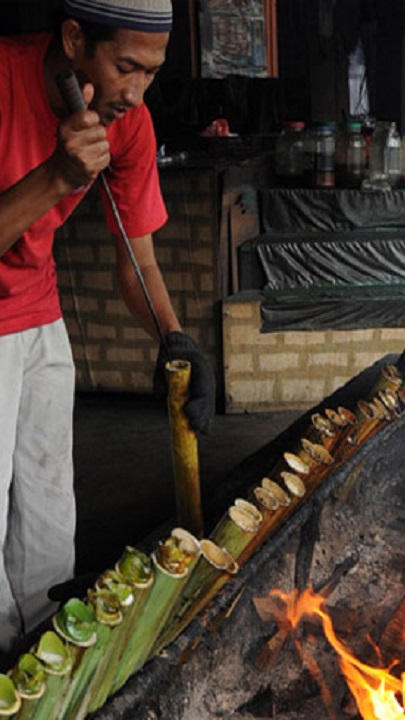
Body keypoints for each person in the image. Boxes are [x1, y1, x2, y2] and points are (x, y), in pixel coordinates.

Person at [0, 0, 215, 656]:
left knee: (47, 532)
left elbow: (138, 256)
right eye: (126, 67)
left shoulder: (129, 121)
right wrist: (58, 176)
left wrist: (174, 337)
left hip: (39, 316)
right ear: (72, 38)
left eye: (151, 74)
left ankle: (47, 670)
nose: (136, 91)